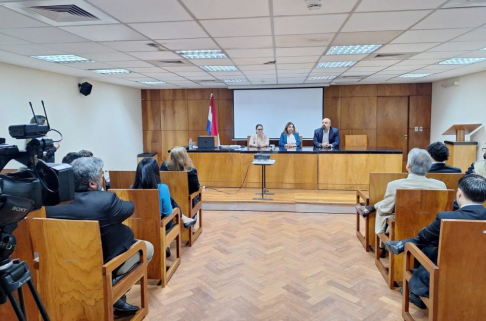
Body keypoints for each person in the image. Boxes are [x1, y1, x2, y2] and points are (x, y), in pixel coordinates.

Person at [46, 157, 154, 317]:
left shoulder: (51, 204)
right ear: (92, 183)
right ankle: (112, 292)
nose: (104, 177)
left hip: (64, 267)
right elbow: (130, 207)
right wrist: (102, 191)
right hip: (102, 266)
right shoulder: (106, 201)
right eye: (102, 174)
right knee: (147, 248)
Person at [384, 174, 486, 308]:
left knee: (423, 244)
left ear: (459, 193)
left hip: (448, 269)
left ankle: (404, 247)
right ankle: (403, 244)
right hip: (481, 268)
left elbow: (424, 236)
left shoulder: (446, 218)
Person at [357, 148, 447, 235]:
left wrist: (378, 207)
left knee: (383, 213)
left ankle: (382, 245)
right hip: (431, 229)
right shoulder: (440, 185)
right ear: (429, 167)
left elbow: (385, 210)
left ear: (408, 166)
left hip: (401, 228)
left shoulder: (394, 185)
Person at [132, 157, 196, 228]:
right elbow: (168, 213)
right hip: (160, 226)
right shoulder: (162, 188)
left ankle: (185, 219)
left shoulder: (132, 188)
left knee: (170, 199)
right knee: (171, 203)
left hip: (138, 226)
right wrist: (176, 210)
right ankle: (184, 218)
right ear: (155, 172)